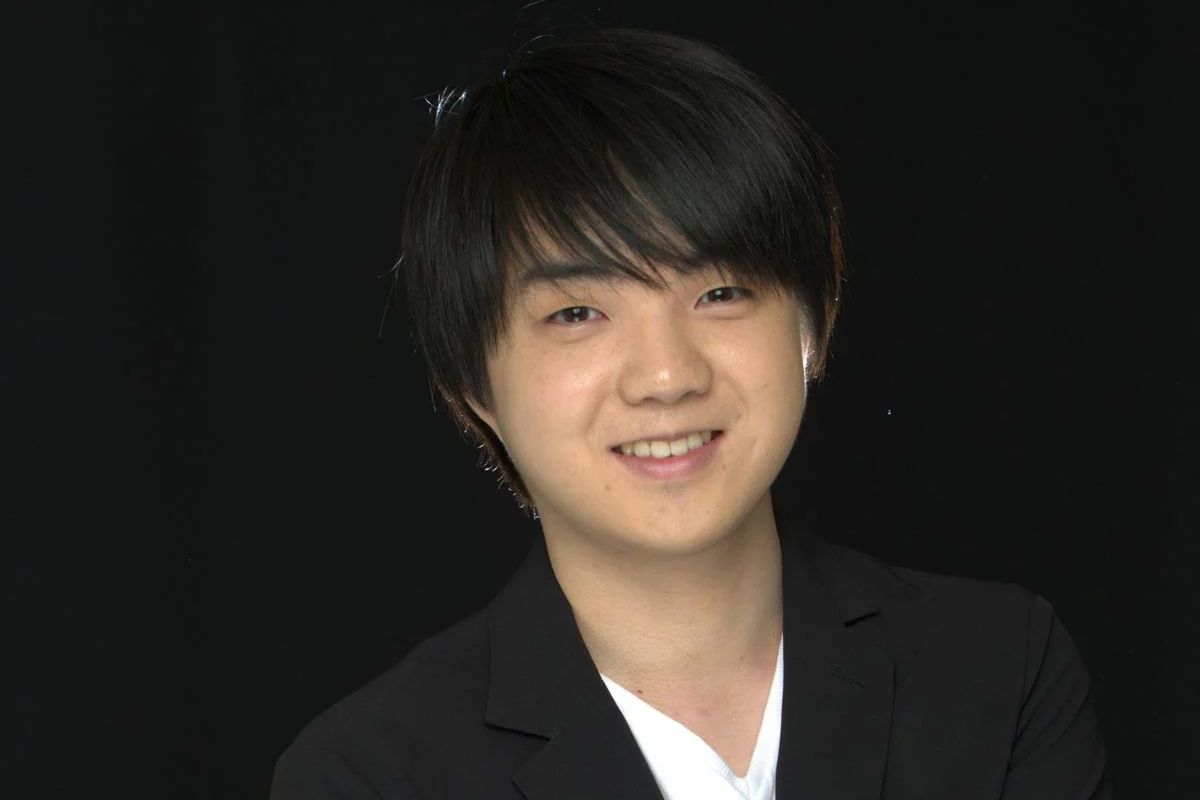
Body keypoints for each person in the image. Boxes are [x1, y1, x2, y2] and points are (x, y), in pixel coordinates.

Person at [271, 27, 1110, 799]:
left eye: (721, 292)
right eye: (577, 313)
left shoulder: (998, 670)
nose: (667, 376)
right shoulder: (372, 775)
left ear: (814, 323)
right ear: (473, 388)